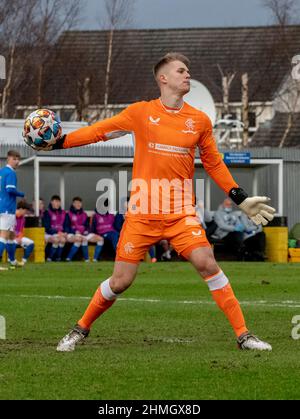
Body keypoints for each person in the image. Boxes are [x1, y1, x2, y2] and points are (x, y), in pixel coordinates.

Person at [31, 52, 275, 351]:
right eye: (181, 71)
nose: (188, 75)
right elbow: (99, 131)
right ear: (163, 78)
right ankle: (80, 329)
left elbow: (214, 163)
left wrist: (241, 197)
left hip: (181, 213)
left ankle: (244, 335)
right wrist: (60, 143)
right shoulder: (140, 113)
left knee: (207, 262)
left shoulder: (199, 121)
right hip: (142, 213)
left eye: (188, 71)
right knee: (121, 281)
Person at [0, 150, 25, 268]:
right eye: (14, 159)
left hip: (2, 207)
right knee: (4, 235)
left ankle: (12, 261)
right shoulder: (10, 173)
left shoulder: (2, 172)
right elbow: (10, 189)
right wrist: (21, 194)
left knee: (11, 235)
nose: (17, 161)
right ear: (8, 159)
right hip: (7, 208)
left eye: (18, 159)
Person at [64, 197, 102, 262]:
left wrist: (86, 231)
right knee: (79, 239)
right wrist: (74, 231)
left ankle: (94, 259)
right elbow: (66, 226)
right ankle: (68, 258)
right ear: (73, 204)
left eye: (79, 203)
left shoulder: (84, 214)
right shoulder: (68, 214)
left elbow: (87, 226)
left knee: (100, 239)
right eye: (76, 203)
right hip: (72, 234)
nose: (78, 204)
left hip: (83, 234)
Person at [42, 195, 67, 262]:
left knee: (63, 240)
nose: (57, 203)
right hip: (49, 233)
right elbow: (47, 228)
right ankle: (49, 258)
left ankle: (58, 258)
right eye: (55, 201)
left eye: (58, 202)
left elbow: (66, 225)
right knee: (56, 240)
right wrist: (57, 232)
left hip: (59, 233)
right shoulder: (47, 213)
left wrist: (65, 232)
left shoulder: (63, 213)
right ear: (51, 202)